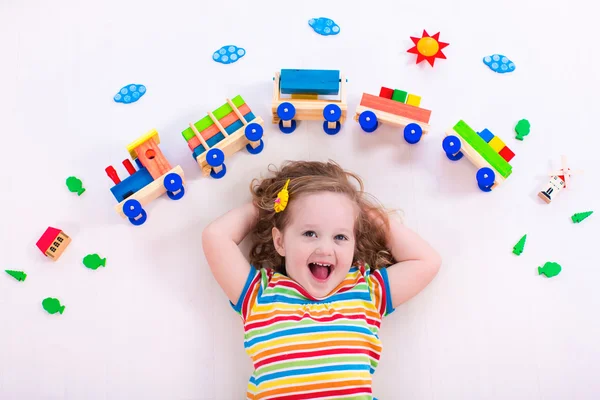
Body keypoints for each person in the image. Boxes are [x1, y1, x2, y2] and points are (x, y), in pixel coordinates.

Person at [202, 160, 442, 399]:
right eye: (310, 233)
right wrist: (268, 205)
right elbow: (216, 237)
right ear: (280, 242)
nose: (325, 248)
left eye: (340, 236)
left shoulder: (365, 292)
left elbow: (426, 261)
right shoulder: (260, 295)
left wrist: (365, 213)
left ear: (355, 243)